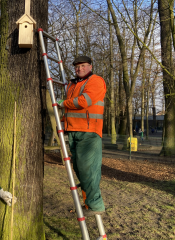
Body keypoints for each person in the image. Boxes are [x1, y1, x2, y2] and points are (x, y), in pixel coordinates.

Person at [57, 56, 106, 216]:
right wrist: (63, 122)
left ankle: (96, 205)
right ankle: (88, 203)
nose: (80, 69)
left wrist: (63, 103)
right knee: (79, 168)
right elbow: (70, 110)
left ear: (90, 66)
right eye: (77, 67)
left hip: (89, 131)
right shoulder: (72, 85)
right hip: (73, 131)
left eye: (83, 66)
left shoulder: (96, 81)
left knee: (88, 168)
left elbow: (84, 102)